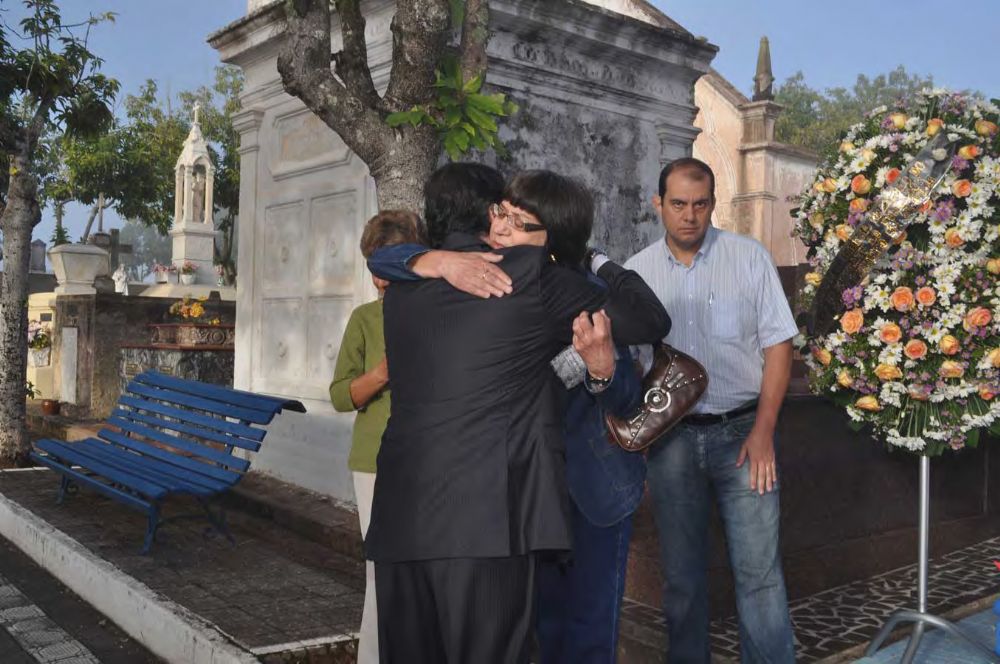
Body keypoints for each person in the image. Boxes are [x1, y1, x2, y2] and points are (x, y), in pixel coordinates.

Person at [364, 164, 669, 664]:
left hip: (402, 517)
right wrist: (601, 263)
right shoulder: (529, 278)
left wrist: (432, 259)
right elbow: (650, 318)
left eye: (518, 220)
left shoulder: (403, 284)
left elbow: (384, 260)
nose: (504, 226)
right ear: (489, 212)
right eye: (503, 213)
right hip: (485, 524)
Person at [625, 157, 797, 663]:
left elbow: (779, 346)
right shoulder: (636, 274)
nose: (689, 215)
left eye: (700, 204)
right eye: (678, 204)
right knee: (680, 581)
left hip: (745, 436)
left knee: (760, 577)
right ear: (659, 204)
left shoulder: (749, 258)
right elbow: (628, 363)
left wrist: (764, 432)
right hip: (672, 439)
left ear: (712, 204)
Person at [328, 210, 425, 664]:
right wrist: (382, 374)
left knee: (425, 570)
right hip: (373, 460)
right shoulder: (365, 319)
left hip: (430, 457)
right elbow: (341, 395)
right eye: (374, 269)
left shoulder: (437, 311)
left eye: (391, 268)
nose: (381, 281)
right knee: (380, 571)